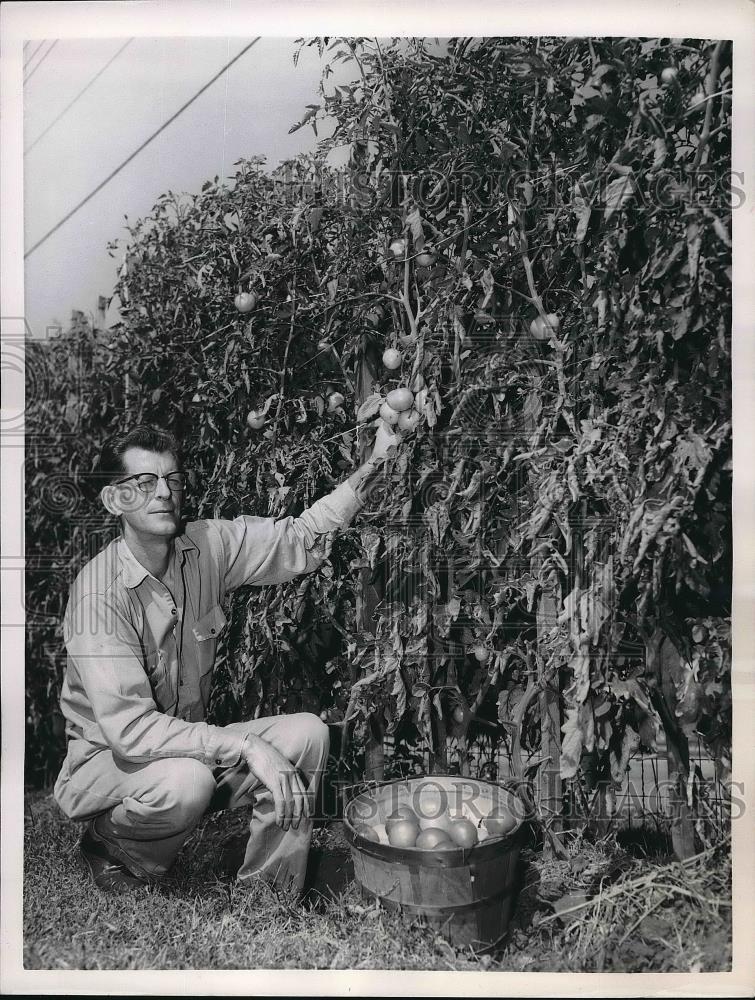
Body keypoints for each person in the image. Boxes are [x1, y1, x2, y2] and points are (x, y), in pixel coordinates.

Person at [53, 419, 399, 895]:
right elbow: (130, 732)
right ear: (115, 500)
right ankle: (114, 845)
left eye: (172, 480)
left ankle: (269, 892)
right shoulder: (99, 595)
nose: (164, 494)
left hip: (187, 746)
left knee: (307, 736)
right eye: (144, 483)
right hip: (107, 761)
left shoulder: (205, 547)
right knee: (189, 781)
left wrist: (378, 462)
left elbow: (301, 538)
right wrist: (248, 747)